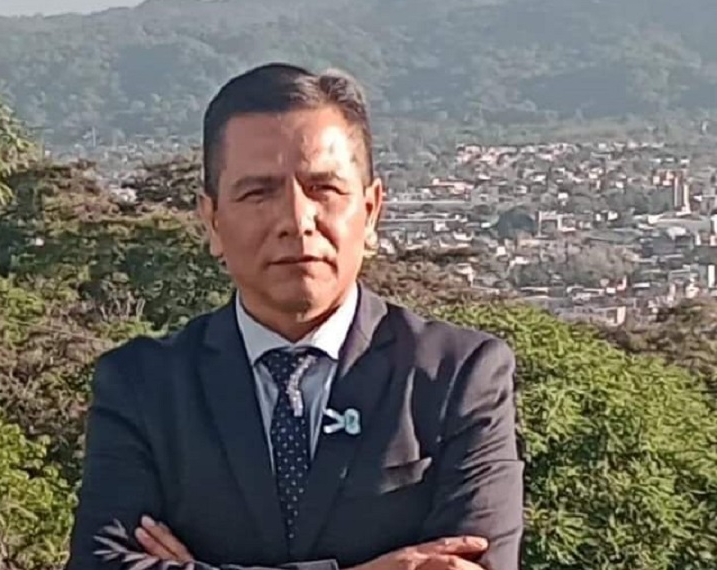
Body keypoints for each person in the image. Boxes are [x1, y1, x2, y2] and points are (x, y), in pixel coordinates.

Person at [66, 63, 523, 570]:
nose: (296, 220)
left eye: (324, 188)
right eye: (258, 193)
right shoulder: (145, 385)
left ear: (371, 210)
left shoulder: (455, 374)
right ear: (212, 221)